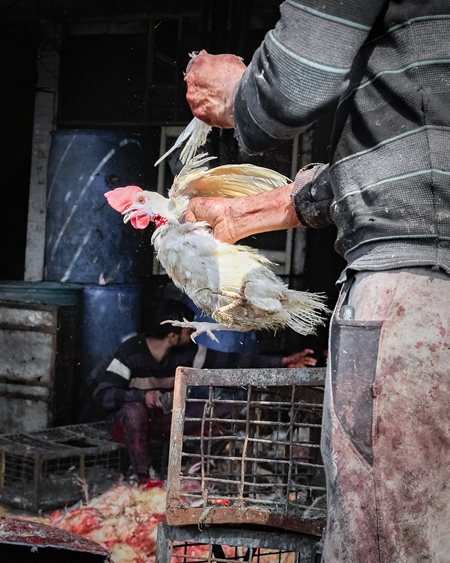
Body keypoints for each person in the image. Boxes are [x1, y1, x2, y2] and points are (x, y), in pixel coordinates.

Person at [182, 3, 450, 562]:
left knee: (388, 541)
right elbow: (416, 154)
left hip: (415, 289)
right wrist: (258, 210)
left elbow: (296, 84)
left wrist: (240, 91)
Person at [94, 300, 317, 484]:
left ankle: (192, 474)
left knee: (227, 411)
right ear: (172, 334)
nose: (193, 332)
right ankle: (144, 479)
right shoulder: (132, 351)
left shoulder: (189, 353)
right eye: (188, 329)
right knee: (135, 411)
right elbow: (102, 395)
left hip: (162, 421)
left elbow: (233, 362)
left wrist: (282, 362)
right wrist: (141, 397)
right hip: (125, 426)